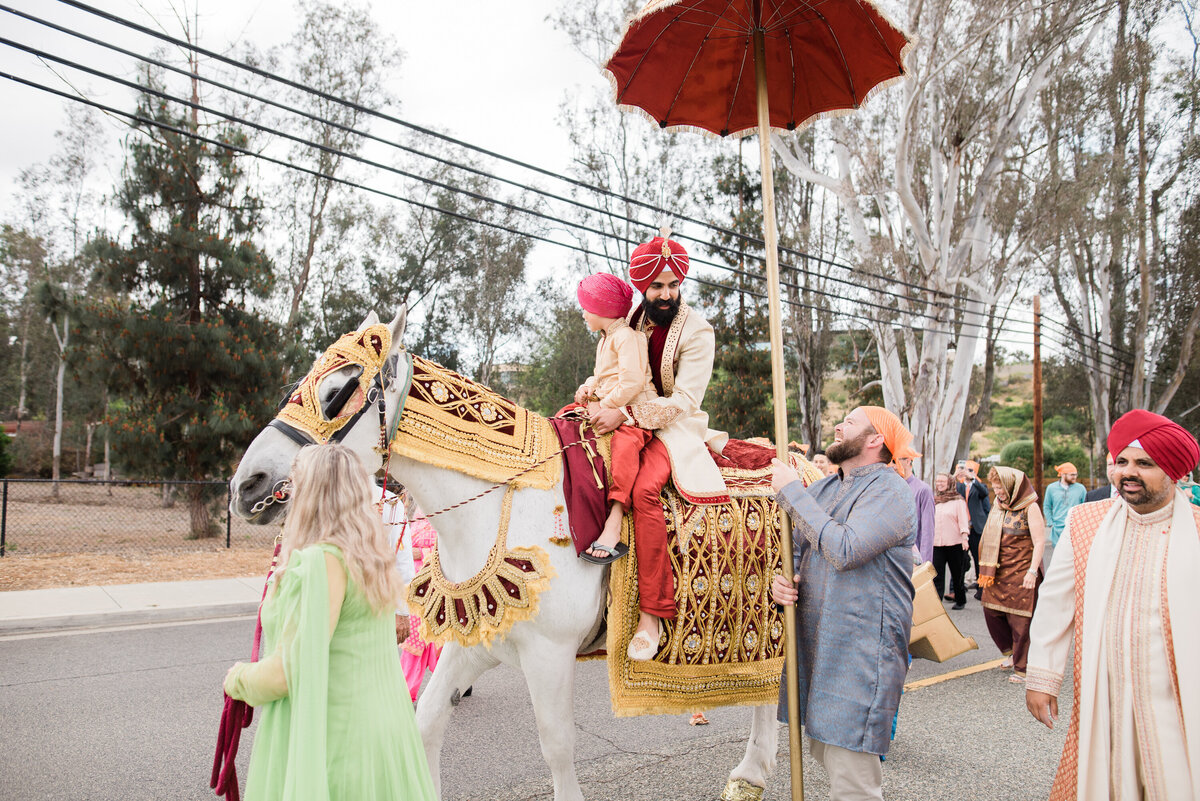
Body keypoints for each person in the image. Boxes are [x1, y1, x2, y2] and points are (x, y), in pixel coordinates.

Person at [224, 444, 436, 801]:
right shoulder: (371, 559)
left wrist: (238, 680)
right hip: (383, 735)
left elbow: (288, 672)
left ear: (309, 492)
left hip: (336, 739)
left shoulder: (323, 561)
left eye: (294, 484)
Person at [1026, 409, 1200, 800]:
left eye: (1144, 463)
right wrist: (1042, 676)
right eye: (1121, 461)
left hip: (1179, 700)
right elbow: (1056, 602)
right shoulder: (1085, 522)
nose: (1127, 472)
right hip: (1106, 695)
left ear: (1173, 471)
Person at [587, 232, 729, 662]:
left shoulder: (698, 331)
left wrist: (626, 415)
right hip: (624, 414)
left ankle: (652, 613)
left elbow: (686, 401)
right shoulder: (630, 320)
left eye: (673, 285)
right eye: (657, 286)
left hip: (675, 428)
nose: (666, 294)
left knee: (645, 490)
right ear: (642, 287)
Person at [769, 406, 917, 800]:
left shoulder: (891, 490)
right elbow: (796, 553)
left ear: (874, 441)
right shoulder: (823, 488)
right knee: (825, 748)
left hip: (861, 651)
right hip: (820, 647)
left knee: (853, 777)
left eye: (849, 422)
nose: (837, 425)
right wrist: (781, 583)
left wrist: (790, 492)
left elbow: (846, 548)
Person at [569, 272, 660, 565]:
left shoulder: (627, 338)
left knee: (623, 449)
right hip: (607, 404)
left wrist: (605, 406)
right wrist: (588, 387)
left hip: (634, 414)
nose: (584, 314)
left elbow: (631, 383)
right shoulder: (605, 339)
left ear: (601, 309)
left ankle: (616, 514)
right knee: (563, 422)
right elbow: (603, 375)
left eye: (586, 308)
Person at [979, 466, 1046, 683]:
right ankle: (1010, 653)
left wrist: (1032, 572)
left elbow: (1039, 542)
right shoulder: (999, 506)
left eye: (1001, 488)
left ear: (1013, 487)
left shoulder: (1030, 507)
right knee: (991, 611)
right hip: (997, 572)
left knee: (1020, 621)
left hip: (1022, 572)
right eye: (995, 488)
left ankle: (1022, 667)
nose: (997, 492)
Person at [399, 495, 441, 702]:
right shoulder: (413, 516)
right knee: (416, 639)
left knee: (433, 638)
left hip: (434, 583)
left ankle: (405, 693)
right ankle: (405, 692)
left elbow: (446, 550)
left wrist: (420, 553)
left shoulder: (441, 514)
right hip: (413, 585)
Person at [932, 472, 971, 609]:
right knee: (937, 575)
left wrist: (965, 538)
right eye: (938, 481)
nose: (940, 484)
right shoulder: (934, 499)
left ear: (949, 483)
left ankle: (960, 600)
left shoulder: (958, 500)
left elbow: (963, 521)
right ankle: (937, 604)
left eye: (943, 481)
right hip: (937, 543)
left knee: (956, 574)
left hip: (955, 542)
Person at [955, 459, 991, 597]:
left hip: (976, 527)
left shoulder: (979, 486)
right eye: (966, 470)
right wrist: (956, 475)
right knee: (961, 559)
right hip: (962, 528)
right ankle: (958, 588)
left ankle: (981, 588)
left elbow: (984, 494)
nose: (967, 473)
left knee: (978, 559)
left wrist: (973, 479)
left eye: (970, 471)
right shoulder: (959, 487)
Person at [1041, 462, 1086, 571]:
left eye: (1075, 474)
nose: (1075, 477)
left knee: (1075, 559)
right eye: (1072, 475)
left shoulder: (1081, 489)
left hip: (1075, 529)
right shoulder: (1051, 488)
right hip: (1057, 529)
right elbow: (1047, 506)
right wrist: (1050, 523)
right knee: (1059, 560)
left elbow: (1085, 506)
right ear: (1063, 475)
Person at [897, 454, 934, 564]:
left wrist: (925, 563)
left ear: (908, 461)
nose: (892, 466)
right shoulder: (889, 488)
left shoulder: (923, 489)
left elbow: (927, 530)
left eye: (895, 461)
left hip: (914, 559)